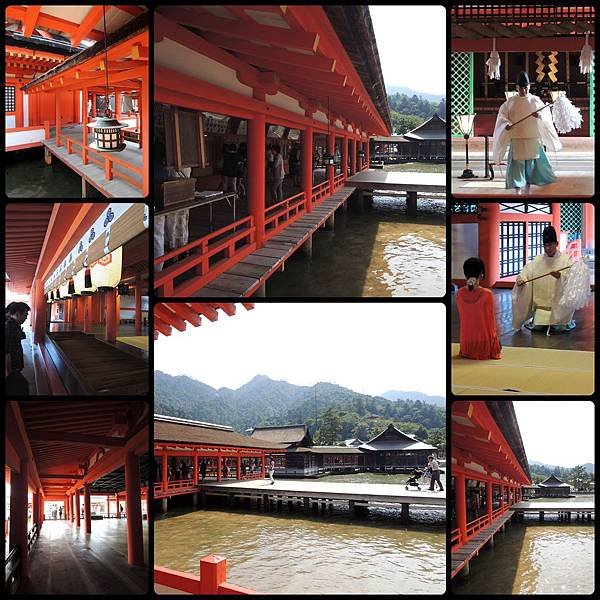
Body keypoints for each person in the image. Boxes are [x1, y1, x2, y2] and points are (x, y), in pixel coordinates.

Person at [492, 71, 561, 192]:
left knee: (531, 165)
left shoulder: (535, 100)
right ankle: (517, 190)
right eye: (521, 88)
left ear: (529, 87)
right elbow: (502, 116)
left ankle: (528, 189)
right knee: (517, 165)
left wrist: (539, 115)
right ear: (517, 88)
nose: (524, 91)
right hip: (517, 138)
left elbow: (546, 115)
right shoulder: (510, 102)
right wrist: (506, 125)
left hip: (532, 137)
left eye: (526, 88)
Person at [513, 225, 589, 333]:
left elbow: (571, 280)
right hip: (541, 308)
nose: (547, 248)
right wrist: (522, 280)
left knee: (558, 328)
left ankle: (562, 321)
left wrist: (561, 277)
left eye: (550, 245)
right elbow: (526, 273)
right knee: (539, 328)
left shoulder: (565, 260)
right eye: (545, 245)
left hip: (559, 309)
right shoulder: (537, 260)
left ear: (556, 244)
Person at [456, 258, 502, 360]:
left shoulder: (459, 293)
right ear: (481, 274)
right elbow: (490, 324)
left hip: (465, 345)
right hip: (483, 347)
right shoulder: (487, 294)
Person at [5, 302, 31, 395]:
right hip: (13, 367)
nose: (26, 317)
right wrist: (9, 371)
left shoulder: (15, 325)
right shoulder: (9, 328)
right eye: (25, 315)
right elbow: (7, 351)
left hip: (16, 365)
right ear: (17, 314)